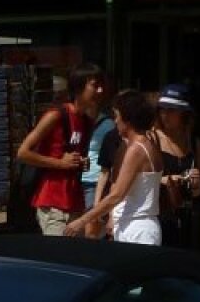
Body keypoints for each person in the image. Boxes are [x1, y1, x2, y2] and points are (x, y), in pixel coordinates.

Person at [16, 64, 105, 236]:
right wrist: (60, 163)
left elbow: (72, 157)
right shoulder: (55, 115)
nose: (100, 91)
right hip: (53, 200)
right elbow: (23, 153)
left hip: (75, 201)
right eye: (95, 85)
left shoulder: (87, 121)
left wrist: (80, 162)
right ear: (79, 87)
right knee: (58, 255)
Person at [65, 89, 163, 245]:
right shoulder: (144, 144)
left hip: (138, 229)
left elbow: (117, 194)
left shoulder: (137, 149)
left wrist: (82, 221)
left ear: (128, 120)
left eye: (117, 116)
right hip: (134, 225)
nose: (115, 121)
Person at [153, 82, 200, 249]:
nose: (165, 115)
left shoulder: (193, 142)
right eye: (162, 110)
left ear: (184, 113)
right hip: (161, 213)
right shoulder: (153, 139)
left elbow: (199, 190)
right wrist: (167, 180)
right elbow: (141, 179)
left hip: (186, 215)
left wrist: (197, 183)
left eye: (171, 110)